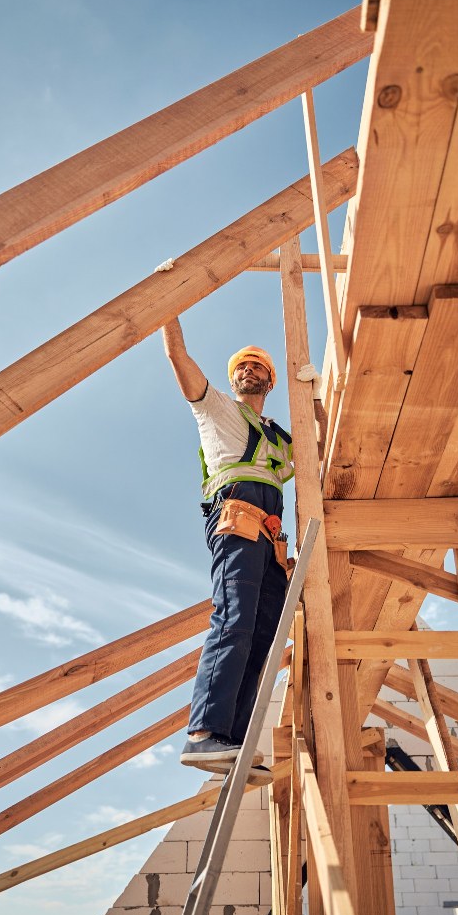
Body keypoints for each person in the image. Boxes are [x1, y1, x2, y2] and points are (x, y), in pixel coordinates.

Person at [162, 316, 324, 783]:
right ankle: (203, 732)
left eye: (258, 366)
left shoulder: (279, 438)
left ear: (270, 381)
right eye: (243, 366)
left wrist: (316, 399)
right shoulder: (215, 408)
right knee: (233, 617)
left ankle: (231, 739)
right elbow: (178, 358)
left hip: (270, 537)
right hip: (237, 517)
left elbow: (322, 448)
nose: (249, 370)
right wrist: (167, 312)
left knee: (264, 634)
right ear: (234, 377)